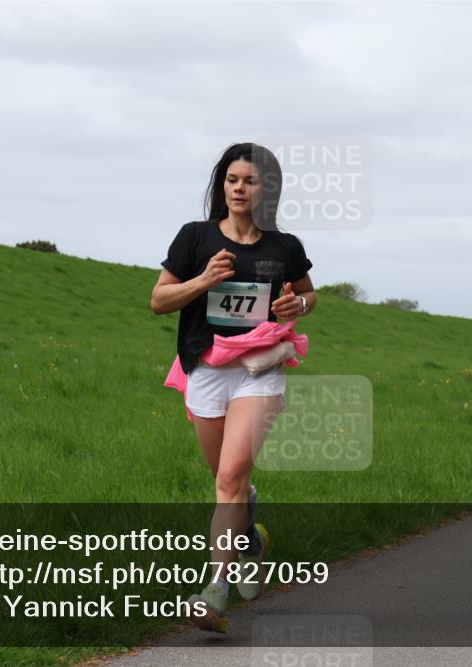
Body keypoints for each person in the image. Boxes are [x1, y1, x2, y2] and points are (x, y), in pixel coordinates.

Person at [150, 143, 316, 633]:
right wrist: (203, 280)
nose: (240, 188)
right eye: (232, 179)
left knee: (230, 478)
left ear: (268, 189)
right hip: (206, 369)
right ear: (222, 185)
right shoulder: (195, 237)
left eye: (250, 180)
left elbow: (308, 294)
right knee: (228, 480)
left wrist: (296, 309)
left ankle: (215, 591)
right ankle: (250, 538)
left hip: (258, 370)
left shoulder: (283, 247)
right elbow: (159, 300)